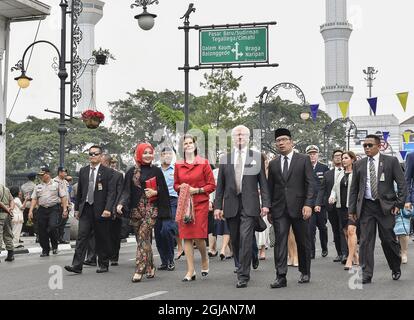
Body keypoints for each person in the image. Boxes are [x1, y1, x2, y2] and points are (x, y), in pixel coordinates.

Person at [214, 126, 270, 288]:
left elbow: (263, 183)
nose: (239, 137)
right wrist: (218, 207)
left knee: (246, 238)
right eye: (237, 135)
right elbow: (220, 187)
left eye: (242, 135)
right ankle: (245, 261)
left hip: (249, 205)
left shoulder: (256, 157)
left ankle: (243, 274)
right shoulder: (225, 159)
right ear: (233, 138)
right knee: (236, 239)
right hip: (231, 205)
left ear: (247, 138)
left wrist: (266, 204)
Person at [348, 135, 407, 284]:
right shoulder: (359, 164)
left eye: (370, 145)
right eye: (365, 146)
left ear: (379, 146)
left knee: (388, 240)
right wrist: (352, 210)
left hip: (386, 207)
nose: (367, 148)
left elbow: (402, 184)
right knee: (366, 241)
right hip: (366, 207)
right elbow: (354, 189)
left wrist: (398, 205)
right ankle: (366, 273)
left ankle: (395, 266)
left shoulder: (391, 161)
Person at [117, 143, 171, 282]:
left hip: (151, 210)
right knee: (143, 240)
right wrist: (121, 203)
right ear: (139, 154)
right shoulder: (131, 172)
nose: (148, 155)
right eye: (145, 152)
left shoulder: (157, 171)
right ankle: (151, 266)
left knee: (142, 236)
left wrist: (155, 192)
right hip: (136, 211)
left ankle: (139, 269)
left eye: (150, 152)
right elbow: (126, 191)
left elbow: (164, 190)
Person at [267, 128, 313, 289]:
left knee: (303, 241)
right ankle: (280, 276)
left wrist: (308, 204)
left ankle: (305, 271)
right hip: (279, 209)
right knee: (280, 242)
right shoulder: (273, 164)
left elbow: (310, 183)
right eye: (278, 141)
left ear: (291, 142)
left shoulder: (303, 159)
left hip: (300, 208)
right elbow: (270, 188)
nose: (281, 143)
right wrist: (270, 209)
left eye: (284, 140)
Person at [65, 145, 116, 274]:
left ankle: (103, 264)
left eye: (96, 154)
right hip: (86, 208)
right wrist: (77, 209)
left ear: (101, 156)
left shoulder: (107, 172)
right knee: (82, 237)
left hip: (101, 209)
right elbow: (80, 192)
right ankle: (77, 265)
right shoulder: (83, 171)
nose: (93, 156)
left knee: (101, 237)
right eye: (91, 154)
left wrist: (108, 208)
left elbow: (111, 193)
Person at [175, 134, 216, 282]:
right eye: (185, 144)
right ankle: (190, 270)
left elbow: (212, 185)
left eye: (190, 143)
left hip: (200, 203)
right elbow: (175, 184)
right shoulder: (179, 165)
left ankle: (204, 259)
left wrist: (197, 190)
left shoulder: (204, 163)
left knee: (198, 236)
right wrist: (182, 187)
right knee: (186, 236)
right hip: (185, 203)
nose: (188, 145)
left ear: (195, 145)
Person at [328, 151, 359, 270]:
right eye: (342, 158)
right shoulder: (340, 174)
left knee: (351, 231)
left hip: (352, 207)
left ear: (352, 159)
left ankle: (350, 259)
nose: (343, 160)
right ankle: (356, 255)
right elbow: (335, 188)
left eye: (346, 158)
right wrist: (332, 196)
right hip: (341, 207)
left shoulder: (357, 173)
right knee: (346, 232)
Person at [29, 166, 68, 257]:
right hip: (42, 209)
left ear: (48, 174)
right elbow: (34, 199)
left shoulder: (57, 184)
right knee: (42, 230)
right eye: (40, 175)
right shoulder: (38, 186)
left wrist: (65, 209)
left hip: (53, 209)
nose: (41, 177)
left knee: (52, 227)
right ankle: (45, 250)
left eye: (43, 175)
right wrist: (30, 211)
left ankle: (55, 245)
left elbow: (63, 197)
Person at [316, 150, 346, 263]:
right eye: (336, 156)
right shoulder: (328, 174)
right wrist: (318, 203)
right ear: (333, 159)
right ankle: (339, 253)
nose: (338, 158)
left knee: (343, 229)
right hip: (331, 207)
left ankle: (345, 253)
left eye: (340, 156)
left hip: (344, 206)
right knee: (335, 230)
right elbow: (322, 189)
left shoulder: (348, 171)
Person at [157, 146, 178, 271]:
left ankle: (170, 258)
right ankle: (164, 261)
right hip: (158, 202)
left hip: (172, 201)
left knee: (167, 229)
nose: (167, 156)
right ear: (160, 156)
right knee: (158, 232)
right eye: (165, 154)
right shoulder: (156, 171)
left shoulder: (176, 170)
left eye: (170, 154)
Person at [306, 145, 329, 259]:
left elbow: (326, 187)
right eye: (310, 154)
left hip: (321, 204)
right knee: (310, 229)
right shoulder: (305, 167)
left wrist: (320, 202)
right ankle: (311, 251)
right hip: (309, 203)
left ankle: (324, 247)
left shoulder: (324, 168)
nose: (312, 155)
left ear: (318, 155)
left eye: (314, 153)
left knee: (322, 227)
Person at [101, 153, 124, 266]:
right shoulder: (98, 175)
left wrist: (115, 208)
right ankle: (103, 256)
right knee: (103, 234)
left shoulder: (118, 175)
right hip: (101, 209)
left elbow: (119, 193)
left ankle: (114, 257)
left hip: (114, 209)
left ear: (108, 163)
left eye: (103, 162)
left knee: (114, 234)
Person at [53, 167, 70, 244]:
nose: (66, 174)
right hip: (58, 204)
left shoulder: (66, 182)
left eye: (66, 172)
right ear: (60, 173)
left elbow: (67, 194)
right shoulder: (54, 181)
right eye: (64, 172)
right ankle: (55, 238)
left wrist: (68, 203)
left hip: (66, 205)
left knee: (63, 222)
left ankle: (60, 237)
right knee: (57, 222)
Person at [0, 183, 15, 262]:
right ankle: (10, 254)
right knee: (8, 233)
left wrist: (7, 209)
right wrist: (10, 209)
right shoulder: (6, 189)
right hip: (7, 215)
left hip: (1, 214)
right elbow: (12, 200)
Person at [20, 173, 37, 237]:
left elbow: (21, 196)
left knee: (25, 218)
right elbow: (35, 196)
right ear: (34, 178)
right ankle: (33, 232)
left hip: (25, 203)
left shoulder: (23, 186)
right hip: (32, 203)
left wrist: (22, 203)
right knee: (34, 218)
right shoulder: (35, 186)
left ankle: (24, 231)